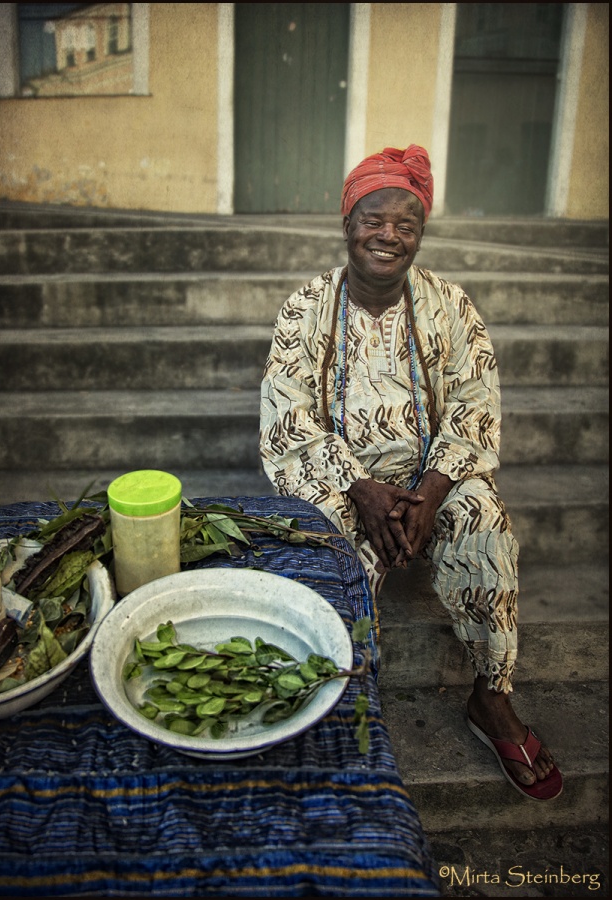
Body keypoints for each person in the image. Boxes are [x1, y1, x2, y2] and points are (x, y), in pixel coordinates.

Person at [259, 145, 563, 801]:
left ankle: (490, 696)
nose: (389, 235)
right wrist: (361, 489)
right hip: (339, 478)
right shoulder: (304, 307)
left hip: (431, 473)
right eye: (374, 218)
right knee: (326, 549)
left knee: (484, 523)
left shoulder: (451, 305)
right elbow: (286, 416)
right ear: (347, 222)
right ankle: (333, 701)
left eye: (407, 223)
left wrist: (427, 495)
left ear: (419, 234)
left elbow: (474, 406)